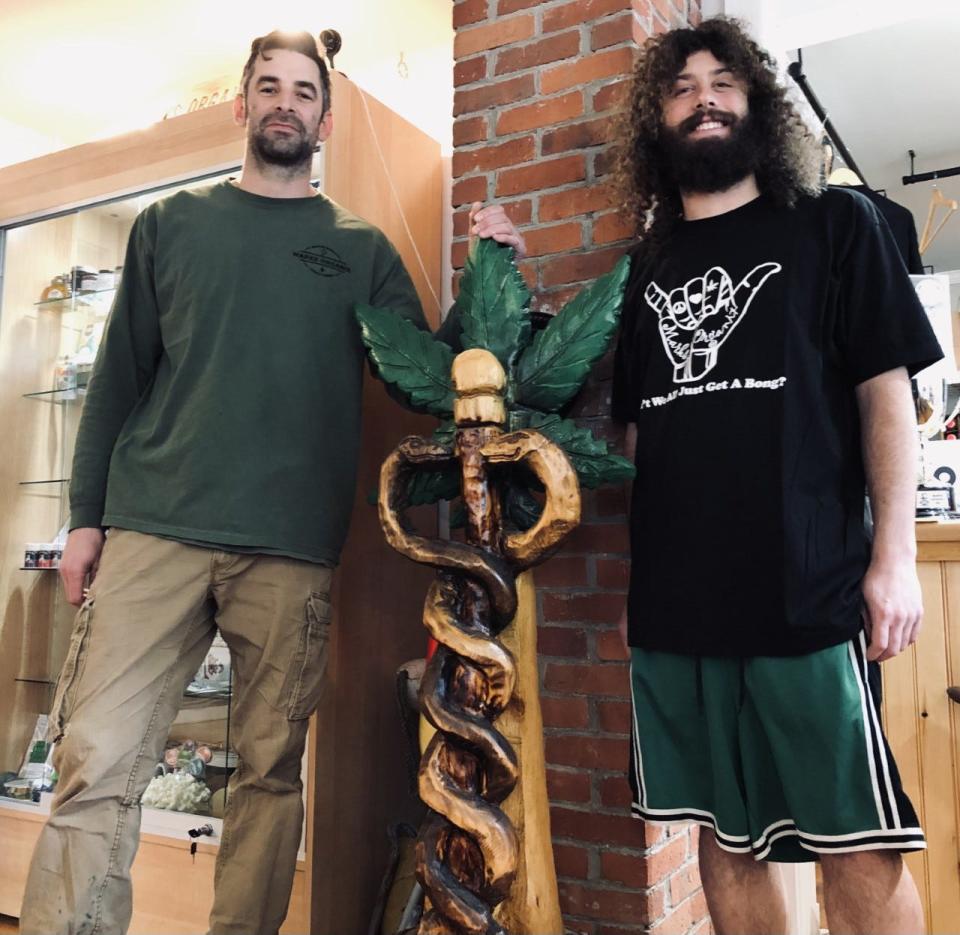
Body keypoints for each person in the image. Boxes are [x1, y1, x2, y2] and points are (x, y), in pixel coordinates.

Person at [20, 30, 524, 935]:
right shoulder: (169, 226)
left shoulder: (361, 249)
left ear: (325, 119)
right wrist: (86, 519)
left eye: (303, 91)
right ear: (241, 105)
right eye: (268, 86)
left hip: (290, 550)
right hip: (152, 528)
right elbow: (116, 382)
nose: (285, 102)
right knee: (95, 759)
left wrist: (492, 272)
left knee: (267, 774)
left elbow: (423, 373)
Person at [611, 17, 941, 935]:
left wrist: (896, 556)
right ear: (657, 121)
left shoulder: (836, 223)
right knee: (725, 838)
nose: (704, 97)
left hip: (811, 590)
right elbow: (637, 441)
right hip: (680, 604)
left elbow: (886, 395)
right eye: (681, 87)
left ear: (756, 104)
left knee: (859, 842)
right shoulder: (644, 271)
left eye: (724, 82)